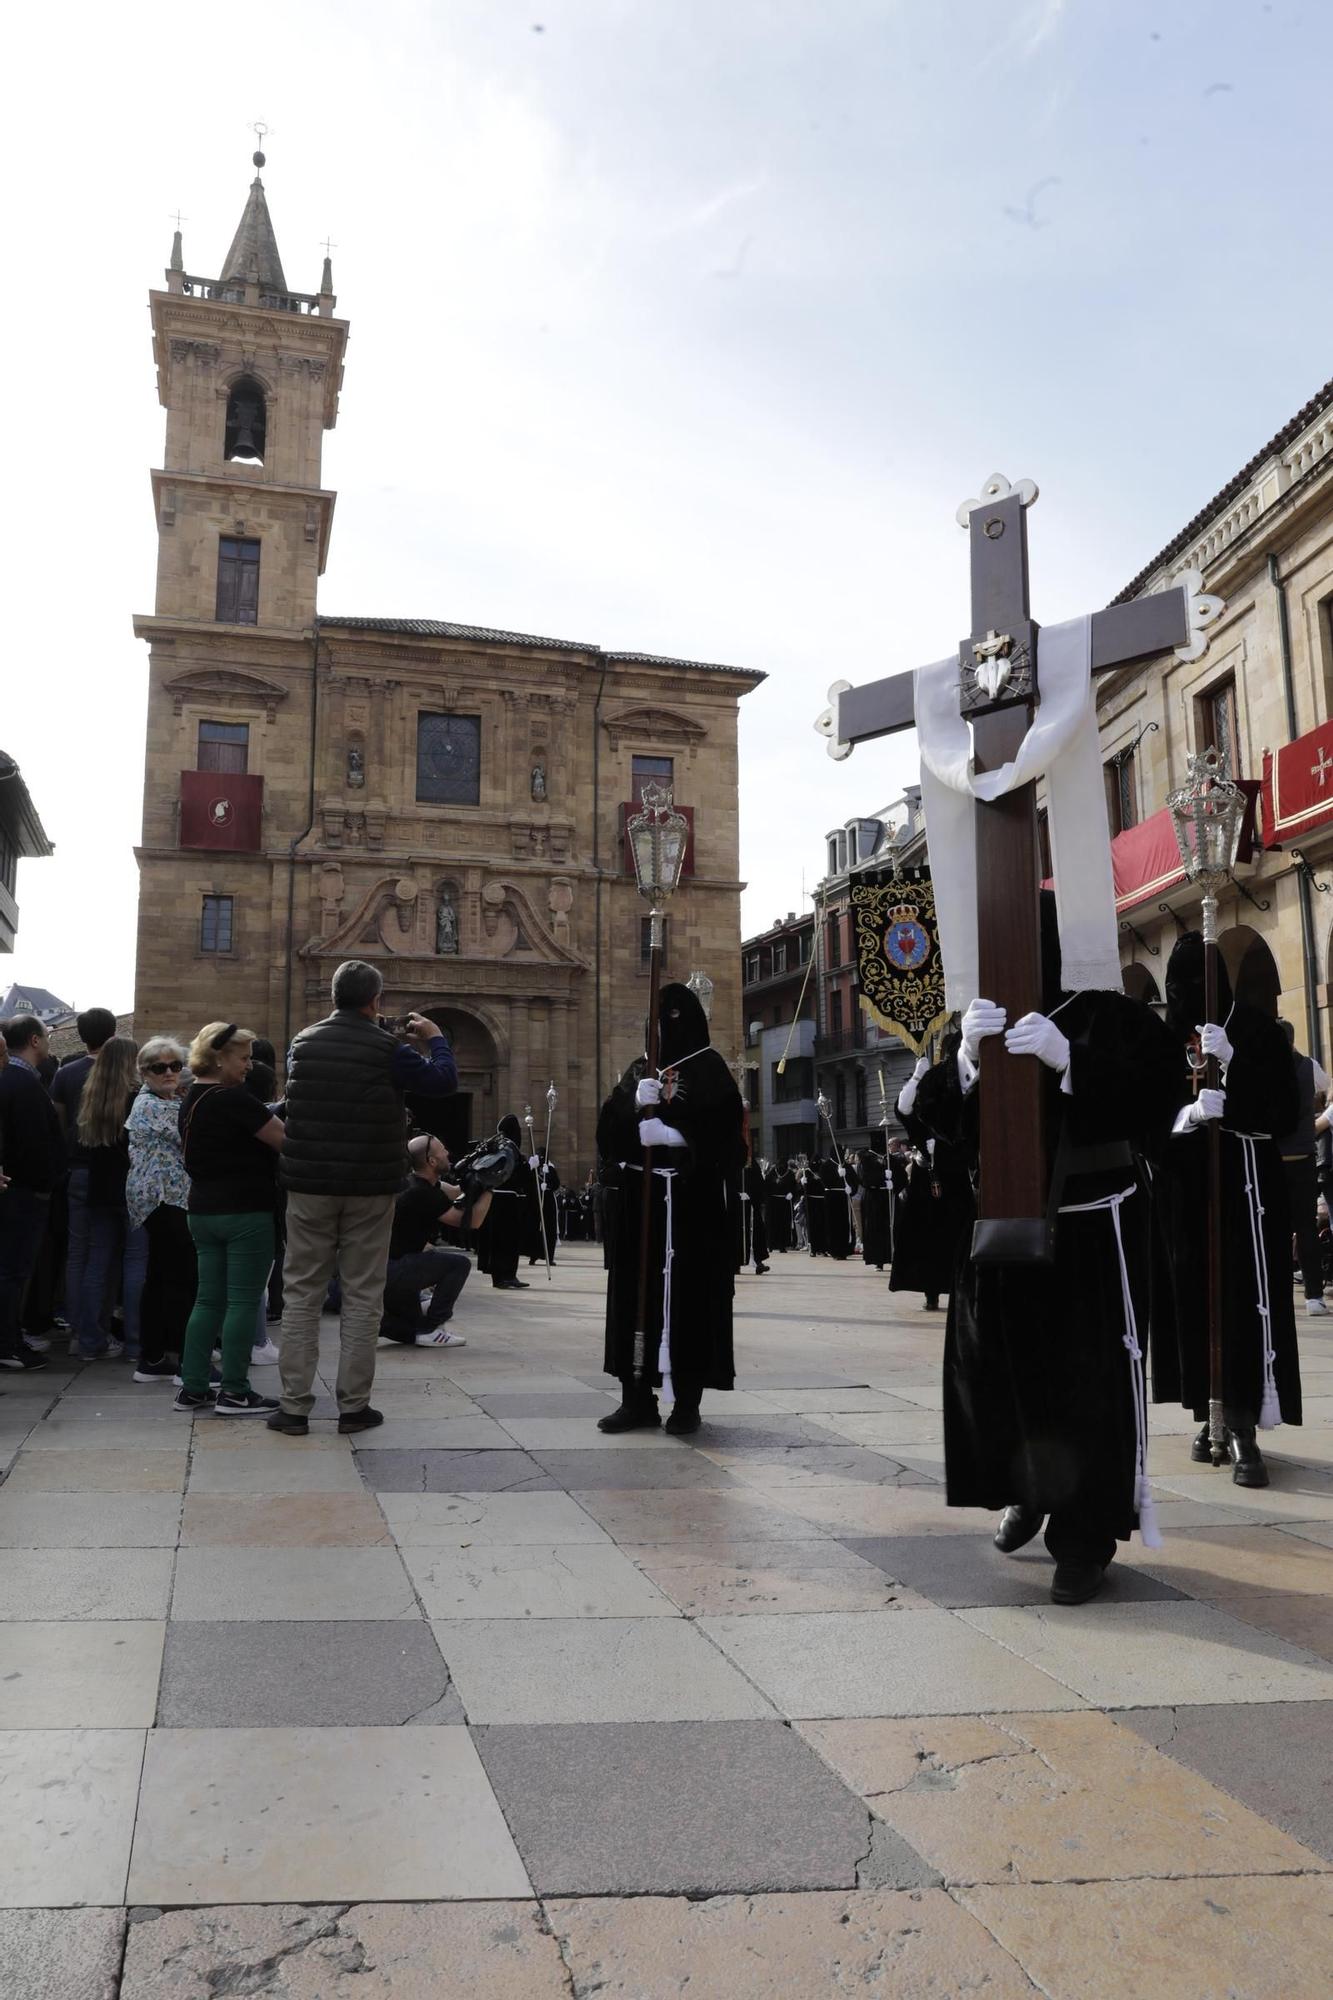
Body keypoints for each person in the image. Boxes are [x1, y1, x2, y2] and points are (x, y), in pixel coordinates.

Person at [941, 902, 1181, 1604]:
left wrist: (1070, 1059)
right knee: (1010, 1374)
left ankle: (1082, 1539)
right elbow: (937, 1123)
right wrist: (961, 1061)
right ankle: (1029, 1490)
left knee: (1085, 1388)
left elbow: (1155, 1100)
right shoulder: (985, 1012)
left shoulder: (1109, 1012)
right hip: (1007, 1228)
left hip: (1090, 1231)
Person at [268, 961, 457, 1438]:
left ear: (334, 997)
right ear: (375, 1001)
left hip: (309, 1185)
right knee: (362, 1296)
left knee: (302, 1295)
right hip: (370, 1188)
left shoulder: (302, 1043)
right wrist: (433, 1038)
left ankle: (293, 1408)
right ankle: (353, 1407)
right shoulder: (388, 1048)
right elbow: (443, 1082)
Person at [1152, 933, 1302, 1489]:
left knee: (1241, 1302)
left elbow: (1286, 1114)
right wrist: (1187, 1116)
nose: (1181, 995)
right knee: (1194, 1300)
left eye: (1191, 984)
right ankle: (1207, 1413)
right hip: (1187, 1194)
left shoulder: (1258, 1031)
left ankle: (1244, 1424)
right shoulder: (1171, 1041)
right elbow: (1148, 1119)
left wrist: (1236, 1068)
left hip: (1246, 1192)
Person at [597, 981, 745, 1436]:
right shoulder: (640, 1070)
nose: (663, 1028)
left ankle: (687, 1401)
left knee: (691, 1300)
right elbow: (607, 1136)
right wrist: (628, 1104)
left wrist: (678, 1138)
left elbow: (731, 1144)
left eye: (672, 1018)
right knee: (635, 1298)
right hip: (641, 1206)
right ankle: (635, 1398)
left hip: (691, 1207)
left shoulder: (711, 1070)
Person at [175, 1023, 286, 1415]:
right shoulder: (233, 1100)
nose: (249, 1066)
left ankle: (193, 1386)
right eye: (243, 1058)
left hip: (202, 1211)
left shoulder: (191, 1097)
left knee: (208, 1301)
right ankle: (236, 1390)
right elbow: (285, 1140)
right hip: (245, 1212)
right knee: (242, 1301)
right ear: (220, 1058)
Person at [125, 1037, 195, 1384]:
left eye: (175, 1066)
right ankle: (185, 1361)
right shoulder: (154, 1106)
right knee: (181, 1277)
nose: (169, 1073)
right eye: (159, 1067)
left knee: (161, 1276)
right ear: (144, 1072)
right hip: (163, 1199)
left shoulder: (166, 1100)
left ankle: (151, 1359)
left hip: (164, 1198)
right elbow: (193, 1133)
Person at [50, 1006, 118, 1356]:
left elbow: (59, 1124)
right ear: (113, 1033)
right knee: (104, 1254)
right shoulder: (120, 1073)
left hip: (75, 1168)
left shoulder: (66, 1073)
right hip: (109, 1171)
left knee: (77, 1253)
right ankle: (97, 1331)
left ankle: (78, 1329)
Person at [380, 1134, 491, 1346]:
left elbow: (457, 1192)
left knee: (405, 1330)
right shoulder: (421, 1193)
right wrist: (491, 1187)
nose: (448, 1153)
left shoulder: (417, 1183)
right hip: (394, 1271)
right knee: (458, 1265)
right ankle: (431, 1327)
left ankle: (409, 1319)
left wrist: (475, 1171)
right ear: (431, 1161)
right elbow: (472, 1221)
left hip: (387, 1271)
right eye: (442, 1150)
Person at [72, 1036, 141, 1361]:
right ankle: (135, 1343)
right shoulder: (136, 1098)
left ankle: (90, 1340)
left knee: (96, 1265)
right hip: (131, 1190)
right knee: (135, 1263)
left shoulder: (93, 1098)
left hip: (100, 1190)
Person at [0, 1015, 63, 1372]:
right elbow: (33, 1143)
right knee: (12, 1270)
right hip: (22, 1192)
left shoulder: (19, 1079)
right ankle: (7, 1342)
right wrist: (47, 1182)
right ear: (35, 1041)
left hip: (19, 1188)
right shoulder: (21, 1083)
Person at [890, 1056, 964, 1313]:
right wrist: (917, 1076)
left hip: (953, 1178)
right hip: (924, 1182)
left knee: (956, 1234)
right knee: (925, 1237)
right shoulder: (918, 1116)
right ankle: (930, 1291)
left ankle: (960, 1288)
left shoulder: (954, 1109)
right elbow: (903, 1107)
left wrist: (947, 1151)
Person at [1276, 1019, 1329, 1319]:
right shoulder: (1309, 1066)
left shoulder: (1267, 1067)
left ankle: (1278, 1288)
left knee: (1276, 1226)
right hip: (1304, 1157)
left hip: (1275, 1157)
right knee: (1306, 1228)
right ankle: (1314, 1296)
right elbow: (1324, 1086)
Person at [476, 1113, 530, 1290]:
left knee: (504, 1239)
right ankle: (503, 1275)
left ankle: (507, 1274)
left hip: (498, 1197)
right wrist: (529, 1166)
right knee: (505, 1239)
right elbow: (514, 1175)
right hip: (506, 1198)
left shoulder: (500, 1146)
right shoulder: (509, 1148)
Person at [858, 1145, 893, 1272]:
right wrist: (883, 1180)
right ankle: (878, 1260)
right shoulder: (865, 1164)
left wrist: (890, 1180)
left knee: (886, 1228)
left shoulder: (883, 1162)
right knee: (875, 1229)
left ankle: (888, 1257)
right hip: (872, 1198)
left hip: (883, 1196)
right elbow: (865, 1180)